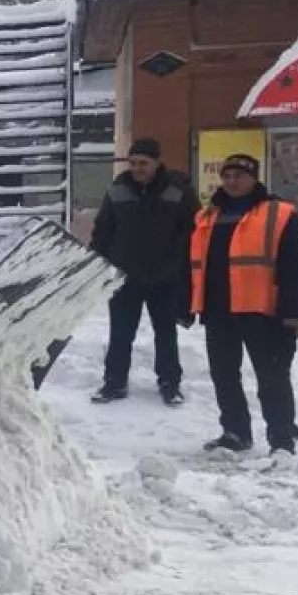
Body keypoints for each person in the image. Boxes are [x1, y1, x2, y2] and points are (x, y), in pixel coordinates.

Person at [190, 153, 298, 456]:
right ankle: (235, 432)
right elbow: (195, 263)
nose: (231, 181)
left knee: (272, 376)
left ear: (253, 178)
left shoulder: (279, 213)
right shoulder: (208, 216)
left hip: (260, 310)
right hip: (217, 309)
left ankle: (282, 439)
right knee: (224, 375)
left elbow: (293, 268)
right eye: (226, 176)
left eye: (238, 176)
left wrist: (291, 313)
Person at [89, 139, 198, 406]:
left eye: (144, 163)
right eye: (133, 162)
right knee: (121, 332)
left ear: (157, 162)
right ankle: (114, 383)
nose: (137, 168)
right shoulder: (118, 190)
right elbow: (103, 230)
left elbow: (193, 232)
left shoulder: (178, 190)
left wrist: (186, 270)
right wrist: (96, 265)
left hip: (165, 276)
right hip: (125, 276)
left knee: (166, 332)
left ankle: (170, 383)